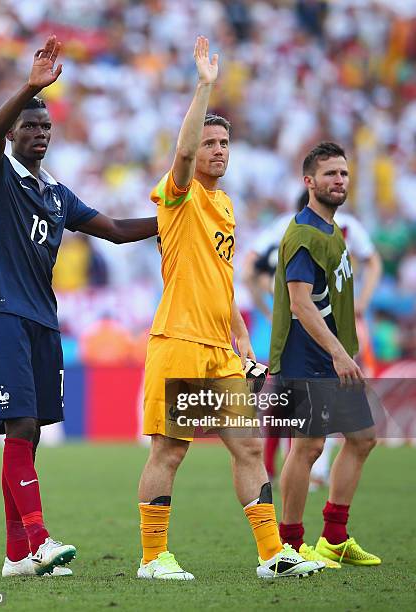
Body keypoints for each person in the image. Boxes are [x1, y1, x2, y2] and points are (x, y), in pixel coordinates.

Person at [136, 36, 323, 581]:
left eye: (224, 142)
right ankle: (153, 558)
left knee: (246, 447)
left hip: (221, 347)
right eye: (210, 141)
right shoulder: (180, 194)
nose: (217, 149)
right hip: (178, 339)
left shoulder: (225, 205)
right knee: (170, 452)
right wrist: (204, 85)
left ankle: (271, 555)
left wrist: (241, 333)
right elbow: (184, 154)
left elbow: (218, 278)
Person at [0, 35, 158, 578]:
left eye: (47, 127)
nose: (40, 134)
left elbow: (119, 231)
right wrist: (30, 85)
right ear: (13, 134)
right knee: (20, 424)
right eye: (30, 126)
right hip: (3, 311)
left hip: (43, 321)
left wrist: (176, 219)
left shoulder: (57, 194)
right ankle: (38, 539)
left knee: (28, 433)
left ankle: (16, 558)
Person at [269, 142, 381, 568]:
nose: (339, 181)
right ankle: (291, 546)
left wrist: (343, 351)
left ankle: (334, 538)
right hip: (307, 359)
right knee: (308, 448)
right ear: (308, 182)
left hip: (336, 357)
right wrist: (337, 352)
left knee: (363, 439)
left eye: (344, 174)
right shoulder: (304, 235)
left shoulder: (333, 230)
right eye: (330, 174)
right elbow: (300, 304)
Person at [244, 190, 382, 486]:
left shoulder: (315, 227)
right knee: (305, 402)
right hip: (306, 327)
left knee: (288, 403)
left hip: (301, 328)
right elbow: (373, 261)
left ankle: (281, 467)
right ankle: (300, 470)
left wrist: (268, 301)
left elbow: (250, 270)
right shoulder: (332, 227)